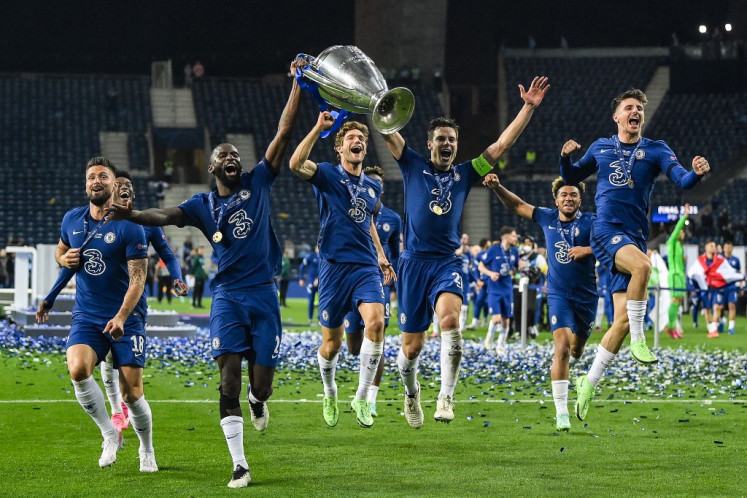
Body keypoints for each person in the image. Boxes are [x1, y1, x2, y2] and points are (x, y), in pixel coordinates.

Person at [106, 70, 301, 488]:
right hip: (228, 296)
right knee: (228, 377)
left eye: (235, 155)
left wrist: (298, 85)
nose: (232, 159)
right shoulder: (201, 204)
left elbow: (284, 132)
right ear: (212, 166)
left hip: (264, 294)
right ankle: (240, 465)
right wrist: (131, 215)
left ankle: (256, 400)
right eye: (223, 155)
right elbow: (163, 216)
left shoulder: (259, 182)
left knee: (261, 386)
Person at [379, 75, 550, 427]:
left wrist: (528, 108)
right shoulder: (412, 164)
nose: (447, 144)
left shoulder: (466, 174)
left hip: (446, 263)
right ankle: (411, 395)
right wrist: (376, 103)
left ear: (457, 145)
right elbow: (387, 130)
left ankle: (445, 396)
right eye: (441, 139)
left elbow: (501, 145)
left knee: (450, 321)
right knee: (411, 349)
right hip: (412, 265)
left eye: (452, 140)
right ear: (429, 144)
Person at [560, 88, 710, 421]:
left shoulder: (656, 150)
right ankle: (642, 341)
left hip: (634, 239)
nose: (636, 112)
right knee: (644, 267)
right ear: (617, 117)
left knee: (622, 321)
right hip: (605, 231)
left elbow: (683, 181)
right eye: (629, 107)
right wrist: (565, 157)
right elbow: (571, 176)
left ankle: (589, 382)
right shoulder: (600, 147)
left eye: (640, 108)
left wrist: (697, 172)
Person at [35, 157, 155, 471]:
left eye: (103, 176)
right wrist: (63, 259)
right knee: (77, 369)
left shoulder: (132, 226)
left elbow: (138, 278)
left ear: (115, 185)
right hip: (87, 315)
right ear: (86, 184)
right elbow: (60, 251)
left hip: (127, 318)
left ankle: (147, 450)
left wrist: (121, 317)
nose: (96, 181)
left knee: (132, 394)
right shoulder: (72, 219)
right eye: (91, 177)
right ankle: (109, 433)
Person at [289, 114, 395, 429]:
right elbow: (296, 164)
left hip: (364, 267)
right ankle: (330, 391)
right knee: (332, 344)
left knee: (376, 324)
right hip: (334, 268)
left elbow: (369, 220)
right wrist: (318, 128)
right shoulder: (326, 174)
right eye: (350, 137)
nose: (357, 141)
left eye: (360, 138)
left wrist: (380, 254)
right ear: (339, 147)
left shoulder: (373, 186)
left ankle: (362, 396)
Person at [483, 173, 596, 431]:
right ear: (556, 200)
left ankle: (572, 375)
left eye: (574, 195)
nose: (569, 198)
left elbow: (611, 246)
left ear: (580, 200)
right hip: (558, 294)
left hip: (587, 297)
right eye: (564, 195)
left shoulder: (592, 222)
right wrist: (498, 186)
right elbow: (517, 205)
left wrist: (586, 250)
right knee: (563, 348)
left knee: (576, 350)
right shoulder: (546, 217)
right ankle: (562, 413)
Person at [342, 165, 401, 418]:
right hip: (350, 281)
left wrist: (396, 286)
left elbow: (396, 257)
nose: (372, 187)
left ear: (381, 188)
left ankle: (370, 399)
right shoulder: (349, 212)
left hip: (377, 284)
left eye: (377, 184)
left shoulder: (393, 219)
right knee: (354, 347)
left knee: (378, 338)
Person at [478, 227, 520, 355]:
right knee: (496, 319)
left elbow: (515, 268)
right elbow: (481, 265)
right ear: (506, 238)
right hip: (494, 290)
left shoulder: (515, 251)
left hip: (507, 290)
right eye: (513, 236)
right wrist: (490, 274)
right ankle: (488, 340)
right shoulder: (493, 250)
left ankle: (500, 346)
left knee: (506, 321)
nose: (516, 238)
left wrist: (514, 272)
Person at [665, 204, 689, 338]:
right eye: (681, 231)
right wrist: (684, 216)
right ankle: (671, 327)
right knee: (674, 301)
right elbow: (677, 230)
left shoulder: (679, 245)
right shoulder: (672, 242)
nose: (683, 233)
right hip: (674, 275)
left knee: (678, 301)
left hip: (680, 275)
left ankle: (673, 326)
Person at [722, 241, 741, 335]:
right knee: (720, 307)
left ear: (732, 248)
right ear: (723, 248)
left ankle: (731, 327)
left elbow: (739, 272)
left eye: (729, 247)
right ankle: (721, 321)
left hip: (732, 286)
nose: (728, 249)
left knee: (732, 306)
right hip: (721, 286)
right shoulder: (720, 259)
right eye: (726, 247)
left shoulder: (736, 260)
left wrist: (741, 285)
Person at [298, 246, 320, 325]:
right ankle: (310, 318)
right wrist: (301, 278)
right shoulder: (310, 256)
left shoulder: (324, 256)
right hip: (311, 281)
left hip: (322, 281)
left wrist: (319, 278)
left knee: (323, 301)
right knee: (311, 300)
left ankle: (321, 318)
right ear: (315, 247)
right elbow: (302, 266)